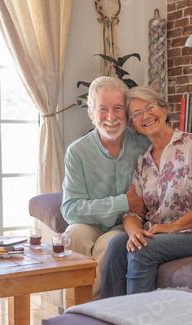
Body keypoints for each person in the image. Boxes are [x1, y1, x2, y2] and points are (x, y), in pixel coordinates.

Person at [100, 86, 192, 298]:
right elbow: (134, 212)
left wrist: (172, 227)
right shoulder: (143, 162)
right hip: (163, 234)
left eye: (150, 107)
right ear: (134, 126)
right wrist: (134, 232)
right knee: (117, 243)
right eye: (137, 114)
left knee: (142, 249)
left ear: (164, 109)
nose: (145, 116)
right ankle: (107, 317)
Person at [61, 76, 151, 300]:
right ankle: (73, 308)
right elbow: (71, 209)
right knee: (73, 234)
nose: (111, 117)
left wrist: (130, 208)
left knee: (108, 243)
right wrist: (123, 202)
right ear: (92, 113)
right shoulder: (77, 152)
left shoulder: (143, 144)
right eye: (103, 109)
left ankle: (89, 313)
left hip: (126, 224)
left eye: (117, 108)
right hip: (91, 224)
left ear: (126, 112)